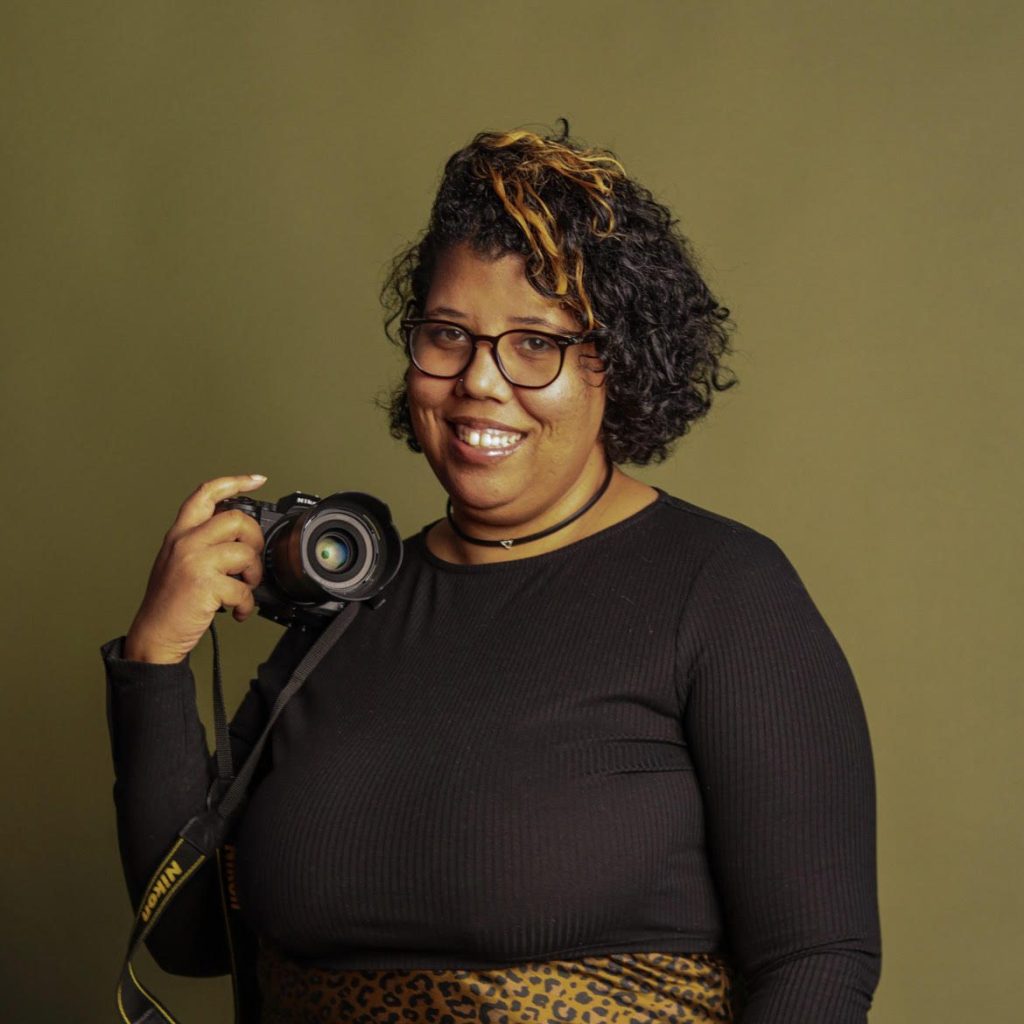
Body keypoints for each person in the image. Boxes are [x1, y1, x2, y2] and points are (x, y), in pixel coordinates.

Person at [103, 124, 881, 1023]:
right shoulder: (349, 606)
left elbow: (819, 962)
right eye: (448, 335)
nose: (480, 380)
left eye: (535, 344)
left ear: (614, 364)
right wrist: (155, 660)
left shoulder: (723, 591)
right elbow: (190, 933)